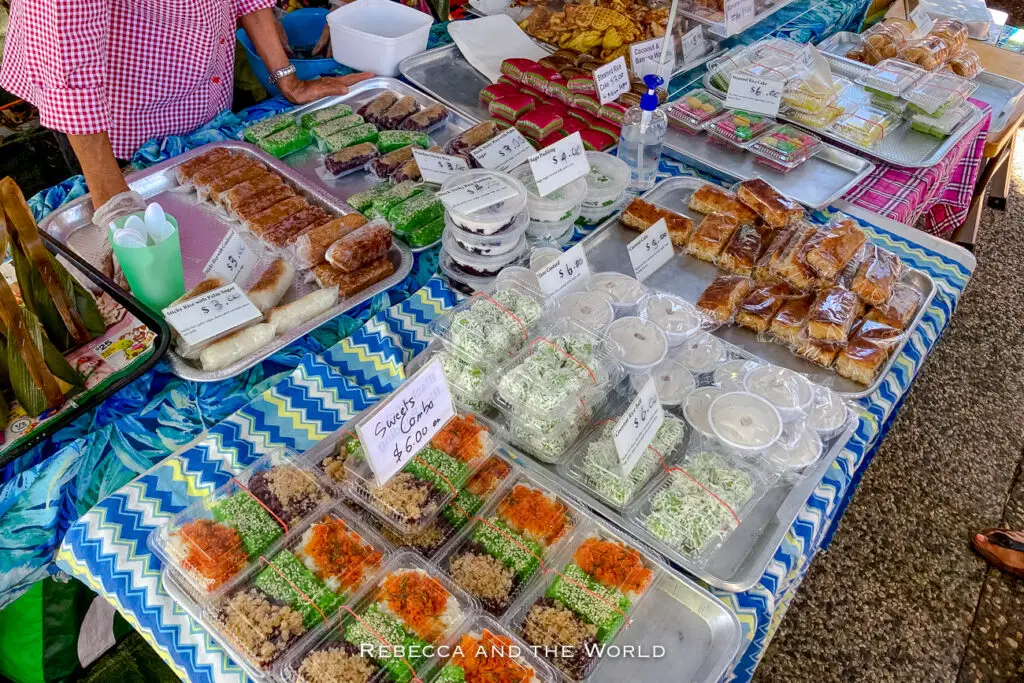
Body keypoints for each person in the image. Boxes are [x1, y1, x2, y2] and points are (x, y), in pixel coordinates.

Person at [0, 0, 372, 216]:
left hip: (201, 94)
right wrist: (116, 209)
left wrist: (288, 79)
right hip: (119, 118)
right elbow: (69, 66)